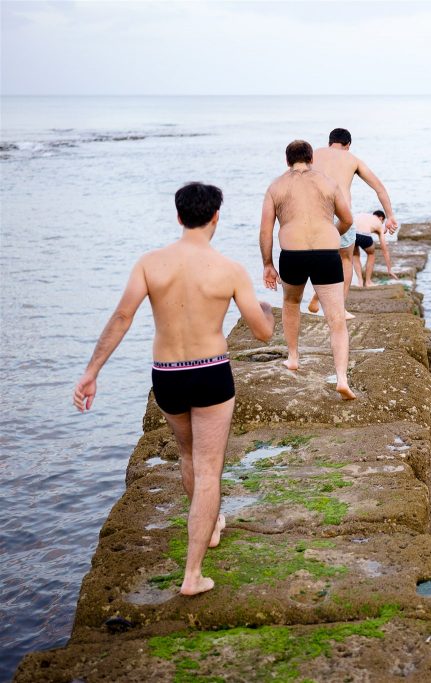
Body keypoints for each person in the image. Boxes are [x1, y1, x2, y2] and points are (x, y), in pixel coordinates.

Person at [73, 182, 275, 596]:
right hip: (210, 371)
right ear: (216, 216)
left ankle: (210, 524)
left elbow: (121, 317)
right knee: (208, 468)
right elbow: (261, 332)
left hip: (166, 373)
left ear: (179, 217)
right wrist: (268, 311)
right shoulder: (230, 269)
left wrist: (91, 372)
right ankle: (193, 574)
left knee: (188, 456)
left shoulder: (150, 263)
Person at [259, 140, 357, 400]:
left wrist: (268, 264)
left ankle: (293, 357)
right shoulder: (327, 182)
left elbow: (266, 230)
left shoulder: (276, 186)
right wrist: (330, 234)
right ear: (311, 158)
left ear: (287, 160)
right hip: (327, 254)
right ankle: (342, 379)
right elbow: (348, 219)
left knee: (291, 302)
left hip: (292, 255)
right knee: (336, 319)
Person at [310, 128, 399, 317]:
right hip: (341, 214)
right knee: (345, 259)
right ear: (348, 145)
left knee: (321, 258)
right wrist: (390, 216)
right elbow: (379, 188)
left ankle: (318, 294)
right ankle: (338, 309)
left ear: (329, 143)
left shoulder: (314, 155)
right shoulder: (353, 159)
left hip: (315, 214)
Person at [354, 210, 397, 287]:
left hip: (351, 233)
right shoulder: (379, 223)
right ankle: (368, 282)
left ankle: (360, 282)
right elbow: (385, 249)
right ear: (381, 218)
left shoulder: (364, 215)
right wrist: (389, 269)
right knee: (371, 254)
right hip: (364, 235)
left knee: (355, 255)